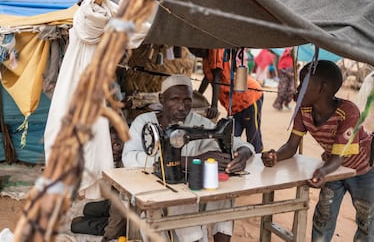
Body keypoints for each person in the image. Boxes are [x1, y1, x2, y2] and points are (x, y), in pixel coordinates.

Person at [122, 74, 255, 242]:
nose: (181, 107)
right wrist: (190, 161)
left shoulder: (199, 122)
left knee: (224, 197)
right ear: (162, 99)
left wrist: (242, 154)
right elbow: (129, 157)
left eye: (187, 100)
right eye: (175, 99)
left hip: (189, 192)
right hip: (152, 192)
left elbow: (237, 143)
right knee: (181, 203)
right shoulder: (144, 123)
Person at [261, 60, 374, 241]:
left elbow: (338, 157)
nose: (297, 88)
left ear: (322, 88)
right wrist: (276, 155)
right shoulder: (303, 109)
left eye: (303, 82)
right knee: (323, 217)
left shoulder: (348, 112)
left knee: (367, 221)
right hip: (332, 168)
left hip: (363, 170)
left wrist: (322, 171)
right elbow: (290, 147)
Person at [197, 48, 264, 153]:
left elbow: (217, 76)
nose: (193, 52)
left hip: (248, 97)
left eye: (194, 49)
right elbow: (207, 77)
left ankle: (258, 164)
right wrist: (197, 95)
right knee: (231, 137)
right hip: (232, 104)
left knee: (253, 136)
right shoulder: (205, 59)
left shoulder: (216, 51)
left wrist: (214, 106)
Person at [71, 126, 127, 241]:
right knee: (87, 208)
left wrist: (108, 237)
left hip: (124, 215)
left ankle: (110, 224)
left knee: (75, 225)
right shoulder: (117, 163)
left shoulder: (126, 168)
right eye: (108, 145)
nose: (112, 150)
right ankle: (107, 217)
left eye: (117, 145)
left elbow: (119, 212)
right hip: (116, 206)